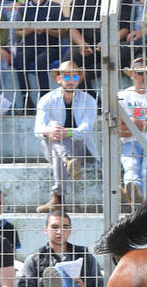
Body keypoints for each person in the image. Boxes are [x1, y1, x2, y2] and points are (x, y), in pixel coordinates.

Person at [33, 61, 99, 213]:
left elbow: (86, 129)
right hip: (53, 147)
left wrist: (67, 132)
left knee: (60, 141)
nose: (70, 80)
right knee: (54, 129)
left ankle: (57, 197)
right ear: (58, 79)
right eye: (66, 76)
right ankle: (68, 160)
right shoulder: (47, 99)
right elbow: (38, 129)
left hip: (80, 150)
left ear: (79, 80)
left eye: (75, 77)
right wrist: (50, 131)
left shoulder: (88, 100)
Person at [117, 57, 147, 207]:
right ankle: (133, 191)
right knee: (131, 164)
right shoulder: (123, 96)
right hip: (130, 142)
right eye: (139, 73)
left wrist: (135, 123)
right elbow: (119, 129)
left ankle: (132, 194)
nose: (145, 76)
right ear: (131, 74)